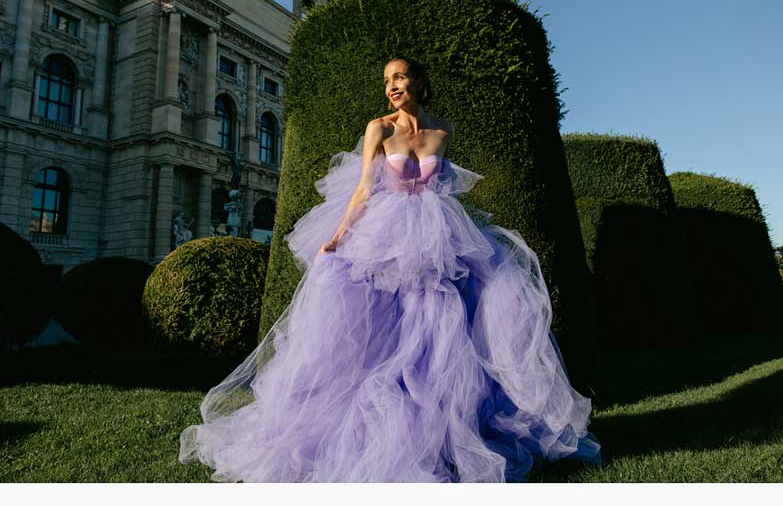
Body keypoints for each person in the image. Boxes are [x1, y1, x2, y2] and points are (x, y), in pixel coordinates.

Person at [179, 58, 600, 482]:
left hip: (437, 232)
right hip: (385, 231)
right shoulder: (378, 128)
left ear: (419, 81)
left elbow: (443, 185)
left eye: (399, 77)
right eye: (386, 81)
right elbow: (365, 186)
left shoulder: (442, 131)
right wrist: (339, 236)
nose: (392, 87)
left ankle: (444, 437)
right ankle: (375, 431)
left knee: (440, 329)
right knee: (381, 333)